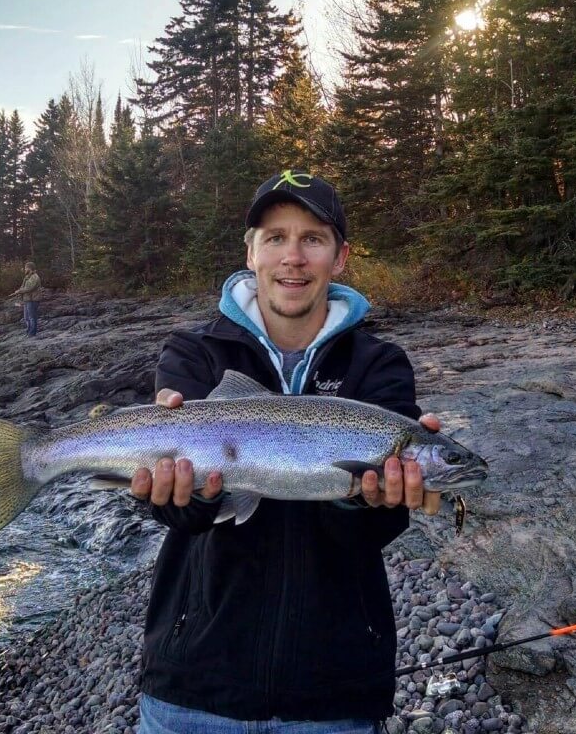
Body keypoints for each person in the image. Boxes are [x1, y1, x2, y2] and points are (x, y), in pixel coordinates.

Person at [129, 170, 443, 734]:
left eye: (312, 239)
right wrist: (181, 496)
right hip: (191, 688)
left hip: (333, 694)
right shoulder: (193, 353)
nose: (292, 257)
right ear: (250, 252)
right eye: (275, 237)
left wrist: (364, 501)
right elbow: (178, 516)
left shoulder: (379, 365)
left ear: (339, 257)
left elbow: (371, 531)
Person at [7, 261, 42, 336]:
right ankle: (28, 331)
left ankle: (32, 334)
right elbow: (23, 287)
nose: (24, 270)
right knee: (26, 318)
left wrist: (19, 291)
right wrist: (18, 291)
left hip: (32, 300)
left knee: (32, 317)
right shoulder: (27, 277)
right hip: (27, 300)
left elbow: (29, 288)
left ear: (29, 268)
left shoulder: (35, 277)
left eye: (26, 268)